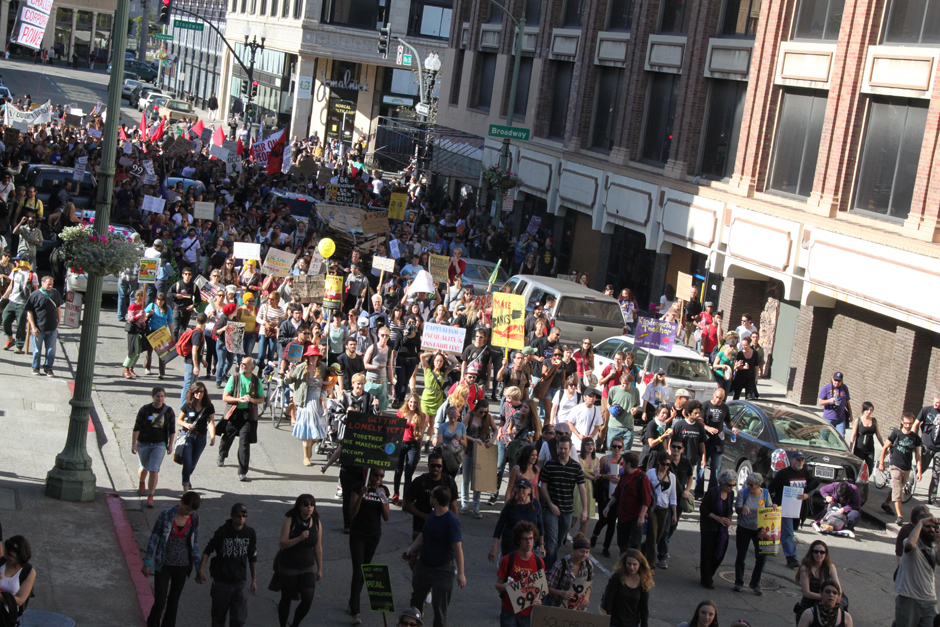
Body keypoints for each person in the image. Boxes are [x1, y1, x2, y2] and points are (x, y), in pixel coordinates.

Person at [405, 486, 466, 627]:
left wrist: (461, 574)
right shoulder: (433, 515)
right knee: (415, 605)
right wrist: (411, 548)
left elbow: (458, 549)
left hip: (443, 571)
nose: (430, 497)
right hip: (424, 567)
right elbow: (423, 535)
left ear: (435, 500)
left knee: (439, 610)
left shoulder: (451, 521)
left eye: (431, 495)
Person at [142, 492, 202, 627]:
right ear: (181, 502)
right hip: (164, 565)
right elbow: (154, 538)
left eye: (191, 511)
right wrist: (147, 562)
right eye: (187, 509)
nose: (189, 513)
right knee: (160, 602)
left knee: (173, 603)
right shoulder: (166, 515)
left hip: (182, 566)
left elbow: (195, 544)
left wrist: (199, 569)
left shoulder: (195, 519)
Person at [196, 503, 258, 627]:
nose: (241, 518)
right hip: (222, 583)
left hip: (240, 582)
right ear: (232, 516)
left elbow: (253, 557)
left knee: (238, 620)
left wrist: (254, 579)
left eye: (244, 515)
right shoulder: (222, 532)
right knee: (218, 620)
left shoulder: (249, 533)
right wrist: (201, 569)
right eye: (238, 516)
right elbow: (208, 550)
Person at [347, 468, 390, 625]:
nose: (379, 478)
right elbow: (352, 512)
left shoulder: (383, 490)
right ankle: (355, 612)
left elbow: (386, 517)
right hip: (358, 534)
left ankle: (353, 600)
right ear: (369, 475)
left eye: (381, 476)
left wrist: (383, 496)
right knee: (357, 571)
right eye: (376, 475)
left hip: (373, 535)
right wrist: (362, 496)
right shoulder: (358, 486)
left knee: (364, 571)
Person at [540, 436, 587, 569]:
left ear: (570, 449)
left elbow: (582, 488)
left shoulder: (575, 467)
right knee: (552, 541)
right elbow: (543, 486)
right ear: (557, 448)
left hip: (567, 509)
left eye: (565, 448)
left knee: (560, 539)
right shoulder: (550, 464)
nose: (563, 451)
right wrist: (550, 504)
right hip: (551, 509)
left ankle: (549, 560)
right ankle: (549, 569)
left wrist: (585, 509)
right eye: (560, 448)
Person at [275, 494, 322, 627]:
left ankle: (295, 624)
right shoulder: (291, 521)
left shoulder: (317, 523)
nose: (309, 507)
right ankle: (282, 624)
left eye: (312, 504)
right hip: (289, 566)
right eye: (306, 504)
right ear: (300, 506)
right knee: (286, 599)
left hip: (307, 566)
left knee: (307, 599)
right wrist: (299, 538)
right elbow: (282, 544)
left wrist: (320, 569)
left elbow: (318, 548)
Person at [218, 357, 265, 482]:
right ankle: (222, 455)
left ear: (251, 367)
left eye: (244, 364)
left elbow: (261, 398)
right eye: (241, 364)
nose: (241, 365)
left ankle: (242, 471)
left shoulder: (256, 380)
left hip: (247, 415)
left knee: (244, 443)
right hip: (234, 413)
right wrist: (238, 400)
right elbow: (225, 397)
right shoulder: (234, 378)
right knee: (227, 438)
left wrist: (251, 400)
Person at [769, 450, 817, 569]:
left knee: (789, 531)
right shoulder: (783, 474)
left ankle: (773, 545)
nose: (800, 462)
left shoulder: (805, 472)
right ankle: (791, 558)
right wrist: (773, 503)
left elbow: (812, 484)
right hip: (786, 508)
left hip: (799, 508)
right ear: (791, 460)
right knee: (788, 533)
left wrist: (808, 495)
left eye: (802, 460)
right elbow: (770, 489)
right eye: (797, 460)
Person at [495, 521, 545, 627]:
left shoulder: (538, 562)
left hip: (528, 613)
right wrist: (505, 586)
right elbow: (498, 585)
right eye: (525, 539)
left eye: (531, 538)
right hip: (509, 610)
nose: (529, 542)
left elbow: (540, 587)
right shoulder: (508, 560)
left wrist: (538, 599)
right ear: (518, 540)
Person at [133, 387, 176, 508]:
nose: (160, 399)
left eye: (162, 396)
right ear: (153, 396)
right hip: (144, 443)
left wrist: (170, 444)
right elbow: (137, 427)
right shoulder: (145, 409)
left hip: (159, 444)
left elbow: (172, 430)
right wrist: (134, 444)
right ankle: (142, 483)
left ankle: (150, 496)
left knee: (154, 469)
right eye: (158, 396)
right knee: (143, 467)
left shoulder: (168, 411)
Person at [286, 345, 328, 466]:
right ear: (307, 357)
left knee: (318, 431)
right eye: (311, 356)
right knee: (307, 429)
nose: (314, 358)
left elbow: (329, 381)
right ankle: (306, 456)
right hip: (306, 400)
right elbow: (289, 381)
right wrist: (290, 373)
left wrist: (324, 395)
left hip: (318, 401)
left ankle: (309, 449)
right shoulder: (300, 368)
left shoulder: (323, 367)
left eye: (315, 355)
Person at [604, 451, 652, 556]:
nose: (622, 465)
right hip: (622, 517)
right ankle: (623, 564)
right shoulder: (625, 476)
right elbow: (617, 493)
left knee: (635, 545)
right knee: (622, 543)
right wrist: (608, 506)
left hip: (635, 517)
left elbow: (646, 500)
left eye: (624, 462)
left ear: (629, 464)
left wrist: (642, 516)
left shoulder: (642, 478)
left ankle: (634, 566)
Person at [895, 515, 940, 627]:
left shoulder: (933, 546)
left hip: (930, 600)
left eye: (933, 527)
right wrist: (920, 523)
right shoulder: (909, 543)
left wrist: (939, 542)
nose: (931, 530)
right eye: (927, 526)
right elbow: (910, 544)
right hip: (909, 599)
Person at [404, 450, 460, 540]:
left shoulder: (449, 482)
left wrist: (455, 528)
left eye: (439, 466)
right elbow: (406, 504)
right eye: (433, 466)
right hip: (421, 528)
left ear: (442, 466)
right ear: (428, 465)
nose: (436, 468)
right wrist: (423, 516)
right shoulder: (419, 481)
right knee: (418, 553)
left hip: (442, 529)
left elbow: (453, 507)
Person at [880, 412, 923, 525]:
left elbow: (918, 455)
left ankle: (886, 504)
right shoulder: (896, 434)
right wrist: (881, 463)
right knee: (898, 491)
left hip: (907, 468)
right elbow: (885, 448)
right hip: (895, 466)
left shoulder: (915, 438)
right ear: (902, 422)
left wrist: (919, 471)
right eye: (906, 423)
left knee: (896, 488)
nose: (908, 425)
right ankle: (900, 516)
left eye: (910, 423)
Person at [658, 437, 694, 569]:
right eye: (673, 446)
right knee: (666, 528)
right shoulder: (666, 461)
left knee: (673, 525)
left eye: (679, 447)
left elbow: (690, 476)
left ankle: (662, 544)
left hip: (679, 499)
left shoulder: (686, 462)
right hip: (666, 499)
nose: (676, 449)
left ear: (683, 450)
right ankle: (662, 555)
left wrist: (687, 490)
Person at [733, 472, 771, 594]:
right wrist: (742, 508)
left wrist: (774, 506)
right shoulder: (742, 493)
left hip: (760, 529)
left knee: (761, 557)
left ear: (759, 485)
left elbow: (769, 509)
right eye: (747, 484)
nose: (748, 487)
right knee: (741, 555)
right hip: (744, 527)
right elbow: (737, 510)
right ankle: (739, 581)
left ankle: (755, 583)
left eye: (751, 485)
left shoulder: (765, 494)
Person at [490, 479, 545, 561]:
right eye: (519, 487)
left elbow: (540, 526)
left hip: (528, 543)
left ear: (529, 491)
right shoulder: (511, 505)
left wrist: (541, 545)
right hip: (511, 542)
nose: (521, 490)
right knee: (513, 568)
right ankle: (505, 562)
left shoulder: (536, 504)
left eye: (524, 488)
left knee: (527, 568)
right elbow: (499, 526)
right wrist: (494, 547)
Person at [699, 469, 736, 589]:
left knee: (720, 554)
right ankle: (706, 578)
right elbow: (703, 509)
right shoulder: (713, 493)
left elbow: (729, 509)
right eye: (729, 485)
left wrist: (729, 519)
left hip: (722, 530)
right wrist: (717, 518)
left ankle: (710, 574)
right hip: (709, 527)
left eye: (733, 485)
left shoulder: (731, 494)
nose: (731, 488)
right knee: (707, 554)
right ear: (723, 483)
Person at [176, 382, 216, 492]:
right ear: (192, 393)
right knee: (187, 463)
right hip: (188, 436)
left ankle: (186, 477)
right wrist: (186, 424)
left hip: (201, 437)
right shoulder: (188, 405)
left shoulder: (208, 406)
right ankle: (185, 490)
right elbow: (179, 420)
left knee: (192, 464)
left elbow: (211, 422)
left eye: (201, 391)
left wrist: (213, 437)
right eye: (197, 392)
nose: (199, 394)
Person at [599, 549, 652, 627]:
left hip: (632, 623)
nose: (631, 567)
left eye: (635, 564)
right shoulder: (617, 578)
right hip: (614, 623)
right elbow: (608, 601)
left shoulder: (643, 582)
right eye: (629, 564)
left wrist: (644, 625)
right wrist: (606, 621)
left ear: (640, 564)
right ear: (625, 563)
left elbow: (643, 607)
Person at [592, 435, 625, 557]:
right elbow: (598, 476)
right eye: (614, 446)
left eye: (619, 447)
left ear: (622, 448)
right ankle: (595, 534)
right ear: (611, 447)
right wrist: (606, 476)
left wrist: (620, 480)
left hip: (617, 495)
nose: (616, 449)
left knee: (612, 522)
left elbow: (628, 477)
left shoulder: (624, 461)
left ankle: (606, 547)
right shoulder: (605, 459)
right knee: (603, 518)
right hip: (604, 493)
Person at [699, 389, 737, 494]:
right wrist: (707, 428)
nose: (717, 400)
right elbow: (700, 421)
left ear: (723, 398)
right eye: (716, 397)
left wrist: (733, 428)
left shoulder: (724, 407)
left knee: (716, 468)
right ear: (713, 395)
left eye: (720, 398)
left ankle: (712, 492)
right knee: (701, 466)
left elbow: (728, 422)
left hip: (718, 441)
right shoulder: (706, 405)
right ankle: (699, 492)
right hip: (705, 440)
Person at [461, 404, 496, 517]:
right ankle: (465, 504)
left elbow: (496, 430)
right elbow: (461, 431)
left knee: (478, 479)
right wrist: (473, 439)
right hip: (470, 449)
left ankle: (476, 507)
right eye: (481, 412)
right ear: (476, 409)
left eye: (485, 412)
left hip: (481, 451)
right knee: (466, 479)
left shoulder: (487, 418)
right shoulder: (469, 416)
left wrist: (492, 439)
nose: (483, 414)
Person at [642, 452, 676, 569]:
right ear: (658, 462)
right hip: (652, 508)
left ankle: (643, 548)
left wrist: (674, 513)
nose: (665, 467)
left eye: (668, 464)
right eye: (663, 464)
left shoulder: (672, 477)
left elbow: (673, 496)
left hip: (664, 509)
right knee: (652, 535)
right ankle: (650, 565)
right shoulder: (651, 473)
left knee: (659, 536)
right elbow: (645, 490)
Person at [793, 540, 840, 623]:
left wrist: (834, 597)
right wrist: (825, 597)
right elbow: (806, 593)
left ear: (826, 554)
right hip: (807, 607)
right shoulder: (805, 568)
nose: (819, 554)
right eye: (816, 552)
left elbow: (838, 588)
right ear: (811, 553)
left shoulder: (830, 567)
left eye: (822, 552)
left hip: (825, 609)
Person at [24, 274, 62, 376]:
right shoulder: (35, 294)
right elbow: (29, 311)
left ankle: (48, 368)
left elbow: (58, 307)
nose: (50, 286)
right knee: (37, 350)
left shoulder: (55, 293)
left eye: (52, 284)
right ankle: (35, 367)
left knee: (51, 350)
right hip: (39, 327)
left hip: (52, 327)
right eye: (48, 284)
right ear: (42, 283)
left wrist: (59, 320)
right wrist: (33, 326)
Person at [543, 533, 594, 609]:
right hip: (558, 607)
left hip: (577, 608)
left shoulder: (588, 565)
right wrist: (561, 593)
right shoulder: (561, 565)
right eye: (582, 551)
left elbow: (589, 584)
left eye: (587, 552)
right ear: (574, 550)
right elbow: (547, 588)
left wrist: (586, 597)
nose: (584, 555)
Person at [394, 393, 427, 503]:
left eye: (415, 403)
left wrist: (420, 451)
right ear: (407, 402)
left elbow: (421, 434)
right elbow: (394, 429)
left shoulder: (422, 416)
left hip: (414, 444)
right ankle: (396, 493)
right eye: (411, 402)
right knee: (398, 470)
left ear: (418, 404)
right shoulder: (401, 413)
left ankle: (406, 498)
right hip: (401, 444)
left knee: (409, 473)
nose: (412, 404)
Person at [2, 254, 38, 353]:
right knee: (5, 319)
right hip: (12, 301)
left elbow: (36, 290)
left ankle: (19, 345)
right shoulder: (15, 272)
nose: (15, 262)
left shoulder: (32, 275)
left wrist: (34, 304)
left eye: (17, 261)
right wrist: (3, 298)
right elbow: (10, 286)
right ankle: (10, 339)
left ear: (23, 262)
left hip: (23, 303)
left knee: (20, 325)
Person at [671, 401, 706, 494]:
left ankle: (686, 493)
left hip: (692, 458)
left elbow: (702, 444)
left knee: (689, 477)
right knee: (678, 480)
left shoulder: (699, 426)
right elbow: (672, 441)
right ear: (689, 413)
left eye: (699, 413)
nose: (698, 415)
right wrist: (670, 454)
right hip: (679, 458)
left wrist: (703, 458)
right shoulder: (679, 425)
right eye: (695, 413)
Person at [847, 401, 883, 482]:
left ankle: (863, 481)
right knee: (858, 468)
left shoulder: (874, 421)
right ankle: (856, 482)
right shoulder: (858, 421)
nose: (869, 412)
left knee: (869, 468)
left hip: (870, 449)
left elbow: (878, 435)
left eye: (871, 410)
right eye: (868, 410)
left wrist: (884, 447)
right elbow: (853, 436)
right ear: (863, 409)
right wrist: (850, 449)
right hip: (859, 448)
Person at [607, 371, 641, 450]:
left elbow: (637, 405)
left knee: (626, 453)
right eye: (623, 383)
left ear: (631, 383)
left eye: (627, 384)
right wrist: (611, 410)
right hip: (614, 426)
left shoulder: (635, 391)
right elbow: (608, 403)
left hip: (628, 427)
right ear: (620, 381)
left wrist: (635, 409)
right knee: (611, 450)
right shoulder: (613, 390)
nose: (625, 385)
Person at [179, 313, 207, 409]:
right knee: (188, 386)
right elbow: (194, 350)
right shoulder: (198, 333)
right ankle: (183, 407)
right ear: (206, 322)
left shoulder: (197, 331)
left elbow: (198, 351)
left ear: (196, 320)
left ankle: (189, 406)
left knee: (192, 386)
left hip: (193, 362)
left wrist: (202, 360)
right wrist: (195, 365)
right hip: (191, 363)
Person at [363, 326, 393, 410]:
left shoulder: (389, 350)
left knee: (381, 408)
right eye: (383, 335)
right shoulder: (372, 348)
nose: (384, 338)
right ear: (378, 335)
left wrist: (391, 384)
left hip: (382, 383)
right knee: (367, 407)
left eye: (386, 336)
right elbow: (365, 364)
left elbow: (390, 368)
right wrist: (376, 367)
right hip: (370, 381)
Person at [568, 388, 604, 455]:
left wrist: (592, 436)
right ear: (584, 397)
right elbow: (570, 423)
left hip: (589, 445)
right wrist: (578, 435)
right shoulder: (577, 409)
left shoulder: (596, 410)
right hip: (576, 444)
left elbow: (598, 425)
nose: (592, 398)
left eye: (593, 396)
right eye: (590, 396)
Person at [818, 372, 852, 437]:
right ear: (832, 379)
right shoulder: (826, 388)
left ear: (842, 381)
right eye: (835, 380)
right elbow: (820, 402)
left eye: (839, 381)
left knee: (841, 437)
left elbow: (847, 401)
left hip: (840, 418)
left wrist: (850, 413)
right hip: (828, 418)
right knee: (824, 437)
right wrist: (829, 400)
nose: (837, 382)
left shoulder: (844, 388)